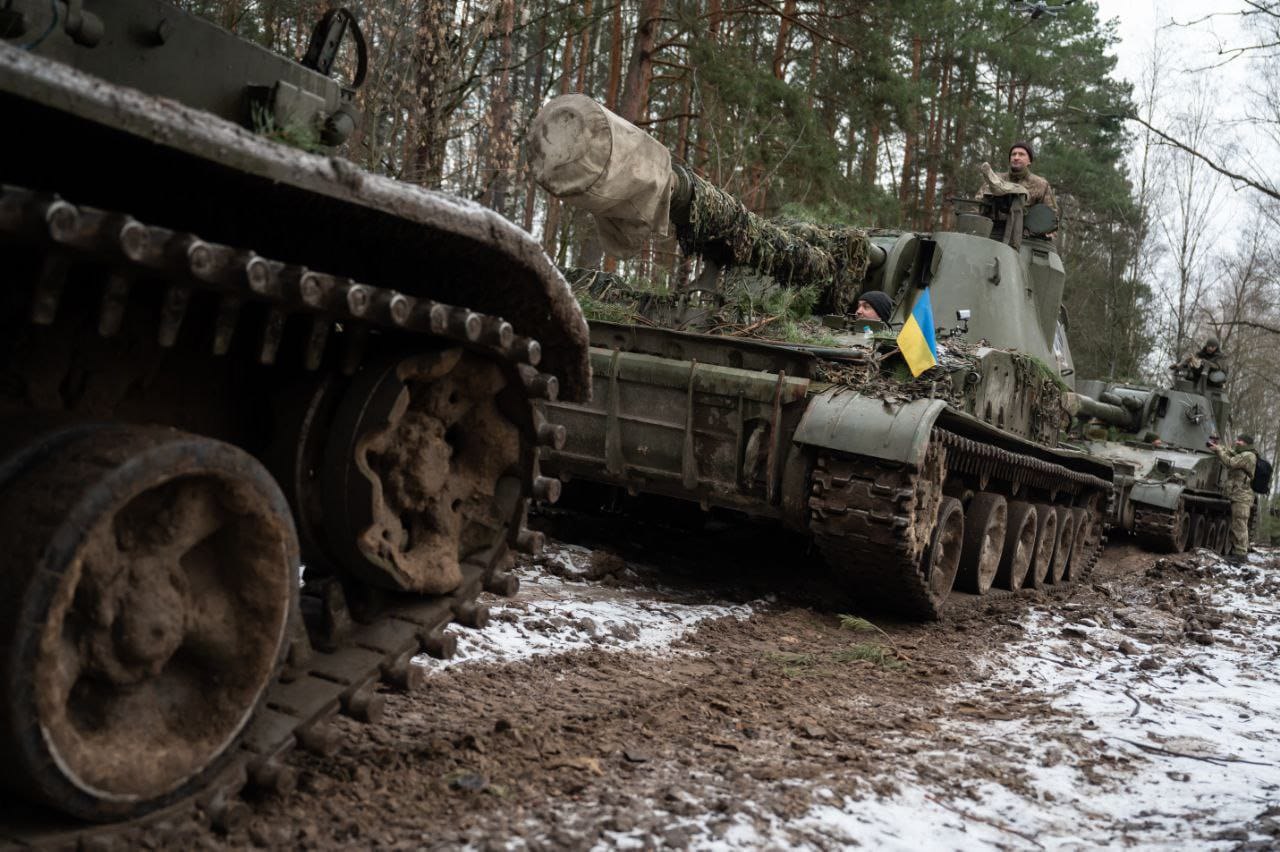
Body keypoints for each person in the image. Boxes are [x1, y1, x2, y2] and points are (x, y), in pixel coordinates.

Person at [1211, 433, 1258, 560]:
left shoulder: (1248, 455)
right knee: (1236, 524)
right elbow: (1231, 452)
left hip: (1242, 496)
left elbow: (1230, 462)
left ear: (1247, 444)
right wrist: (1218, 447)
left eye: (1240, 441)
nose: (1237, 442)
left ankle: (1241, 555)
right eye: (1237, 440)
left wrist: (1219, 451)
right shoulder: (1243, 453)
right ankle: (1237, 553)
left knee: (1240, 525)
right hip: (1237, 494)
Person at [1001, 141, 1058, 218]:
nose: (1016, 158)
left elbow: (1051, 217)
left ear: (1029, 161)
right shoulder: (996, 179)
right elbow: (979, 207)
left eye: (1021, 154)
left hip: (1026, 229)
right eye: (1013, 154)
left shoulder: (1041, 185)